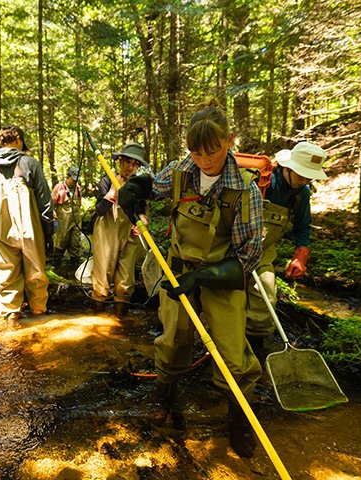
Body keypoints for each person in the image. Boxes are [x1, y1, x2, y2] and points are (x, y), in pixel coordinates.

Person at [118, 100, 263, 458]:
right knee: (173, 338)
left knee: (232, 353)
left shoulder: (245, 190)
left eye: (211, 151)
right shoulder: (182, 171)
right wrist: (134, 189)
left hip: (222, 275)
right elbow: (152, 187)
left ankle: (240, 419)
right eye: (196, 153)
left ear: (229, 141)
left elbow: (249, 256)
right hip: (178, 270)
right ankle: (164, 398)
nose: (204, 160)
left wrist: (208, 275)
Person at [245, 141, 328, 358]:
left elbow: (302, 226)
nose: (304, 181)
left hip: (263, 254)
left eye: (308, 177)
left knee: (265, 303)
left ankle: (254, 353)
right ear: (287, 168)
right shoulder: (262, 180)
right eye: (301, 175)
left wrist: (301, 255)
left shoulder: (302, 193)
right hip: (233, 248)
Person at [0, 125, 54, 325]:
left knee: (6, 270)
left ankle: (11, 320)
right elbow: (45, 202)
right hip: (30, 226)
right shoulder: (29, 163)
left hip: (0, 226)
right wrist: (48, 232)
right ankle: (39, 317)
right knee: (36, 270)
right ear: (18, 140)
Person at [91, 142, 149, 318]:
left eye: (135, 164)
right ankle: (97, 322)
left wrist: (143, 219)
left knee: (125, 280)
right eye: (128, 162)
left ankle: (120, 322)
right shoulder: (107, 180)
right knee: (102, 278)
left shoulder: (139, 185)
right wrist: (111, 194)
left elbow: (142, 210)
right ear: (120, 161)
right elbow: (99, 210)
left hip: (130, 233)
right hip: (106, 231)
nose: (131, 167)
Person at [50, 166, 83, 267]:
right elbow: (52, 202)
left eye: (77, 179)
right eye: (73, 178)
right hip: (63, 219)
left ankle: (74, 265)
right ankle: (57, 263)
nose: (75, 181)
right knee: (61, 239)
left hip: (76, 219)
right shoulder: (59, 187)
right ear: (68, 176)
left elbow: (79, 203)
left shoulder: (78, 188)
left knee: (75, 240)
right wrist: (52, 213)